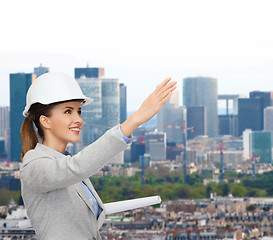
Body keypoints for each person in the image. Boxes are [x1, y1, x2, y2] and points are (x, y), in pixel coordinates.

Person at [20, 72, 177, 240]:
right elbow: (77, 167)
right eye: (68, 111)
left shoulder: (66, 163)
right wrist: (135, 120)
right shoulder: (33, 166)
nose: (78, 119)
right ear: (45, 121)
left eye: (79, 111)